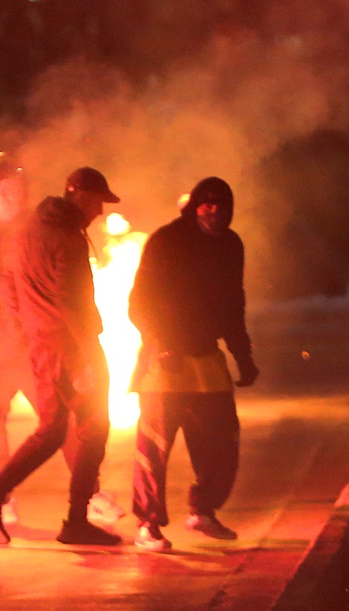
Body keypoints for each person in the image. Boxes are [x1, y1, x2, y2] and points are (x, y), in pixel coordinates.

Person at [0, 152, 123, 528]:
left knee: (64, 426)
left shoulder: (32, 229)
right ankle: (1, 498)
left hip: (31, 346)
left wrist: (24, 330)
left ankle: (85, 499)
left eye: (15, 193)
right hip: (7, 346)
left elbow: (27, 292)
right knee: (3, 421)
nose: (8, 201)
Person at [126, 177, 257, 551]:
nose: (214, 211)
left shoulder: (231, 245)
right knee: (154, 447)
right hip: (163, 362)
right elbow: (140, 302)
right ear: (194, 206)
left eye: (222, 205)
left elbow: (234, 304)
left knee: (222, 440)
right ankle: (148, 524)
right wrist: (160, 342)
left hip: (206, 358)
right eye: (207, 204)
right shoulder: (167, 241)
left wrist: (242, 354)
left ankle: (203, 510)